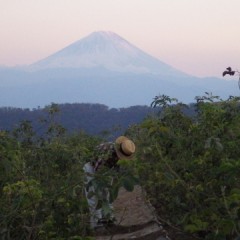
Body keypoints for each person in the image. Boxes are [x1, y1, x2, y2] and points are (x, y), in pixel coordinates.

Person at [83, 136, 136, 229]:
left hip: (107, 171)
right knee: (94, 198)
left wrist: (112, 184)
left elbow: (116, 171)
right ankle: (96, 224)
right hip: (91, 170)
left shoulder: (119, 155)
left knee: (106, 196)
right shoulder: (106, 151)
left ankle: (108, 219)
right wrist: (103, 184)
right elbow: (97, 172)